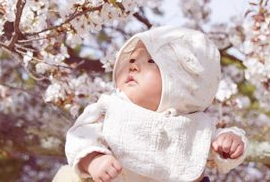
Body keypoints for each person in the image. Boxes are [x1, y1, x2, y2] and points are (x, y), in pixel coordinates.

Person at [56, 26, 247, 182]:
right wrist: (94, 160)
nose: (133, 66)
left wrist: (228, 142)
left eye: (150, 61)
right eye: (131, 59)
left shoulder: (194, 125)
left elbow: (215, 151)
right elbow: (80, 136)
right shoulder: (110, 108)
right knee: (69, 177)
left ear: (182, 84)